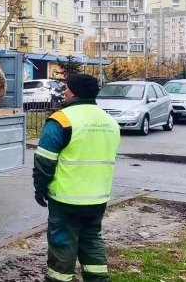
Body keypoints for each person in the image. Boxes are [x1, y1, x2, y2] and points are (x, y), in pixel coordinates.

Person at [33, 73, 121, 282]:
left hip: (67, 198)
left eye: (66, 88)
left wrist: (40, 188)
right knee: (91, 241)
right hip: (97, 198)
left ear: (73, 92)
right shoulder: (110, 122)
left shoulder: (62, 120)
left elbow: (44, 161)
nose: (64, 91)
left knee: (63, 242)